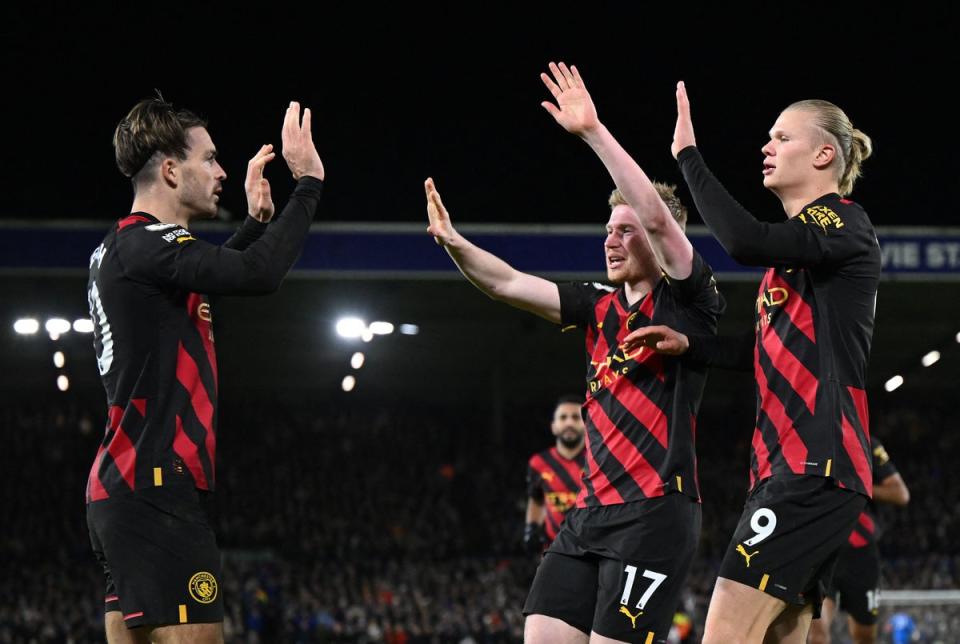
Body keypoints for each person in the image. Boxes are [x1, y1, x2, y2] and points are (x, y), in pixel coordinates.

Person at [426, 62, 722, 643]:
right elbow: (509, 283)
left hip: (653, 514)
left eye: (626, 230)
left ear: (660, 244)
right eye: (608, 229)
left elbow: (661, 220)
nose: (611, 239)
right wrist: (456, 244)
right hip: (587, 518)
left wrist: (592, 133)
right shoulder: (596, 307)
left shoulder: (690, 300)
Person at [624, 83, 880, 643]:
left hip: (814, 466)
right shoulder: (791, 265)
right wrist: (691, 345)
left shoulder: (844, 222)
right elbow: (756, 352)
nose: (767, 146)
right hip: (790, 469)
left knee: (724, 633)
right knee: (780, 637)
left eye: (783, 136)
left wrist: (688, 156)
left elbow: (743, 240)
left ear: (823, 155)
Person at [85, 96, 325, 644]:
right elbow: (258, 275)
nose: (222, 172)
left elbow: (203, 277)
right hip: (156, 488)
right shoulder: (144, 244)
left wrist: (256, 224)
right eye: (210, 159)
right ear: (171, 170)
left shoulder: (118, 249)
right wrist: (308, 184)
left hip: (124, 486)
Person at [807, 436, 910, 644]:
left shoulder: (867, 444)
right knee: (815, 634)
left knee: (864, 637)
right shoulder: (810, 441)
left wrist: (852, 486)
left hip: (860, 557)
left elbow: (900, 494)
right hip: (822, 551)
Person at [524, 395, 587, 554]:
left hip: (591, 549)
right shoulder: (538, 463)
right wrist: (531, 528)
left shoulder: (599, 462)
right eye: (563, 417)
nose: (569, 422)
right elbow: (536, 500)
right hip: (552, 550)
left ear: (587, 424)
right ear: (554, 426)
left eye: (575, 417)